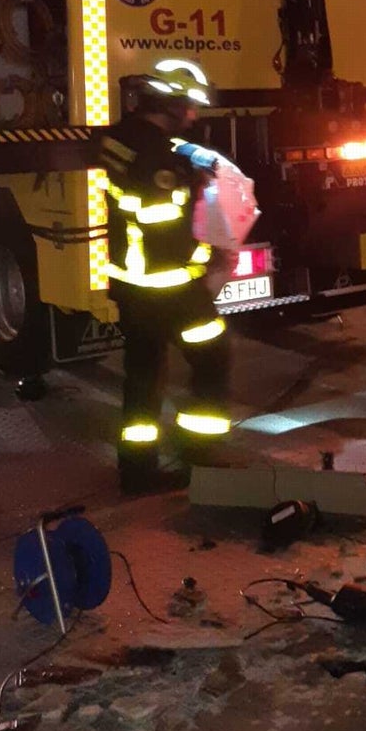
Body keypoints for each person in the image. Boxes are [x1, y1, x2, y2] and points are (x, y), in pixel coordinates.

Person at [98, 58, 233, 494]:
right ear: (171, 103)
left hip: (133, 288)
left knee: (142, 378)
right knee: (213, 359)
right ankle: (198, 457)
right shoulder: (159, 160)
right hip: (171, 287)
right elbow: (161, 219)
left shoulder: (120, 138)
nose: (193, 115)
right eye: (189, 106)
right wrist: (209, 254)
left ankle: (136, 472)